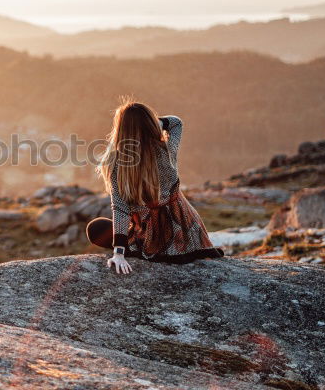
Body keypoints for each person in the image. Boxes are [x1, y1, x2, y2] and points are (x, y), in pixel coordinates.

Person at [86, 100, 223, 273]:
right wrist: (151, 123)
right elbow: (176, 123)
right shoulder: (166, 151)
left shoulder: (116, 164)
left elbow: (120, 208)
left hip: (152, 239)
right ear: (150, 124)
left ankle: (139, 244)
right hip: (186, 233)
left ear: (121, 130)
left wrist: (119, 253)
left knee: (96, 228)